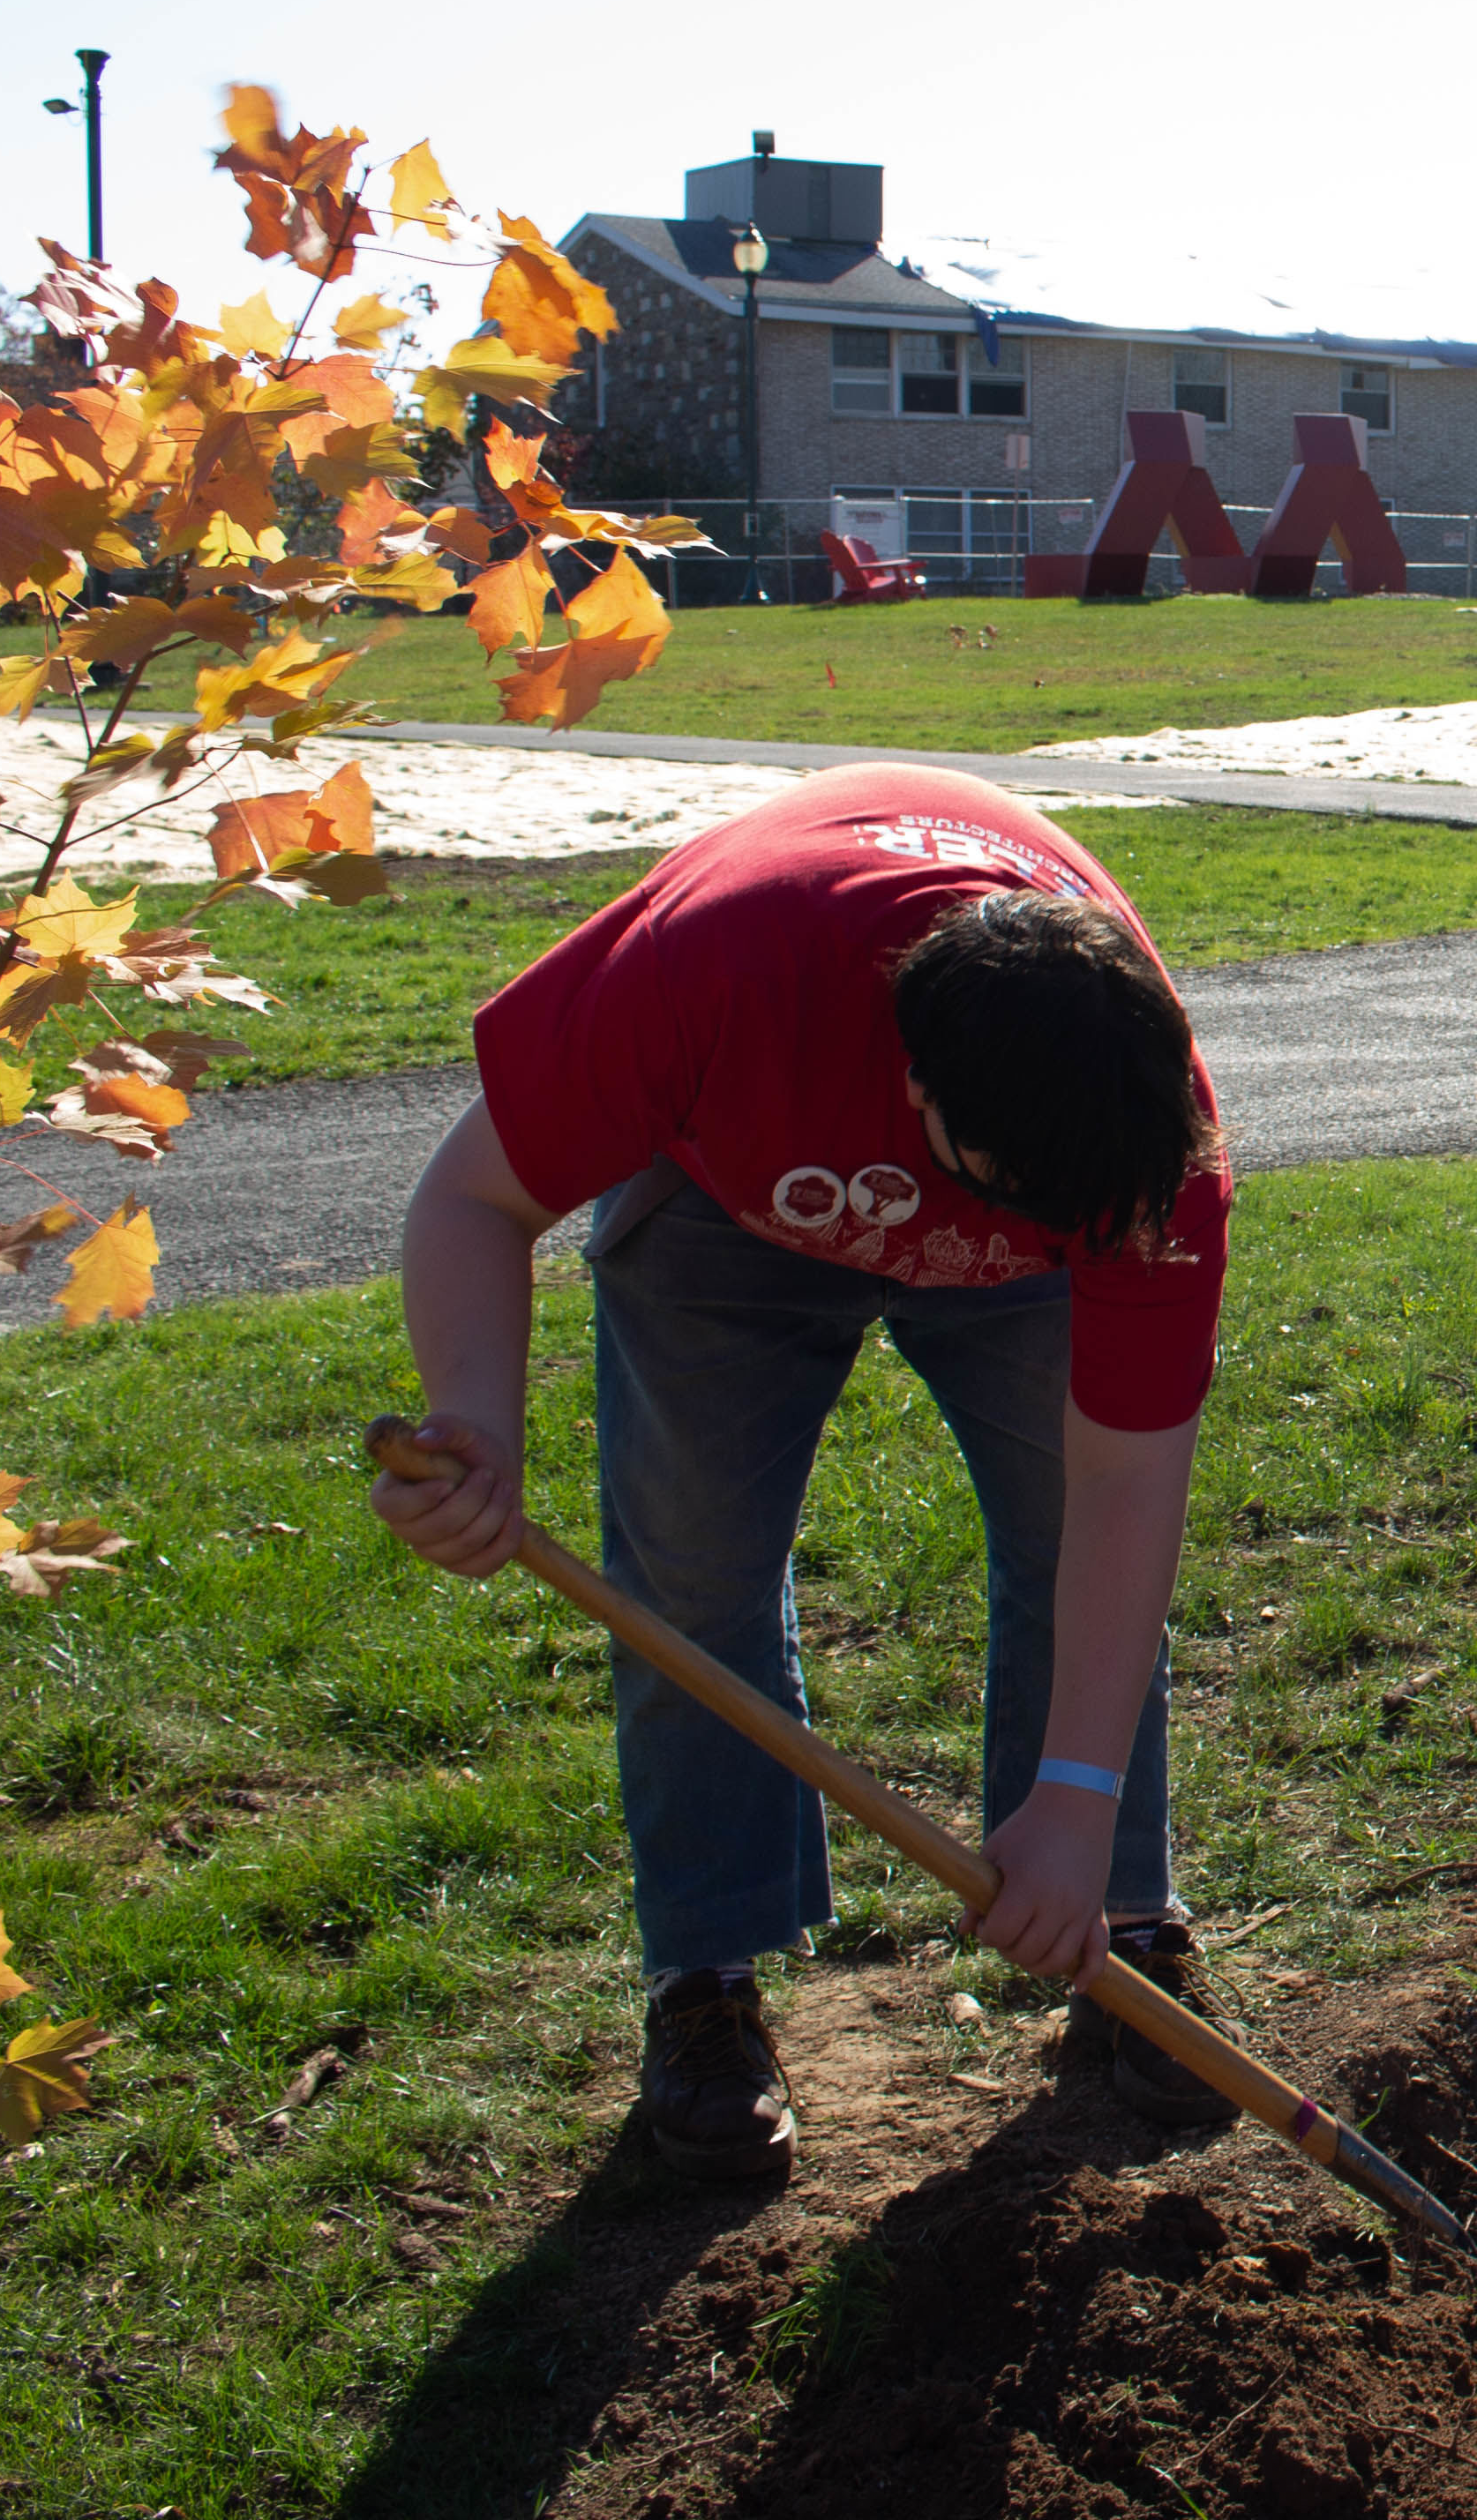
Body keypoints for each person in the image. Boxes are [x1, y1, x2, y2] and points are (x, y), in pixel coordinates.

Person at [363, 766, 1236, 2179]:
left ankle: (1123, 1922)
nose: (1017, 1219)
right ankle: (704, 1980)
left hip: (1021, 1208)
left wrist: (1074, 1797)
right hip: (730, 1192)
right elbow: (475, 1196)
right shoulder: (713, 971)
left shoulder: (1140, 1150)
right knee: (693, 1566)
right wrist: (476, 1427)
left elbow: (1128, 1487)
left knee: (1061, 1524)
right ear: (913, 1079)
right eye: (1000, 1182)